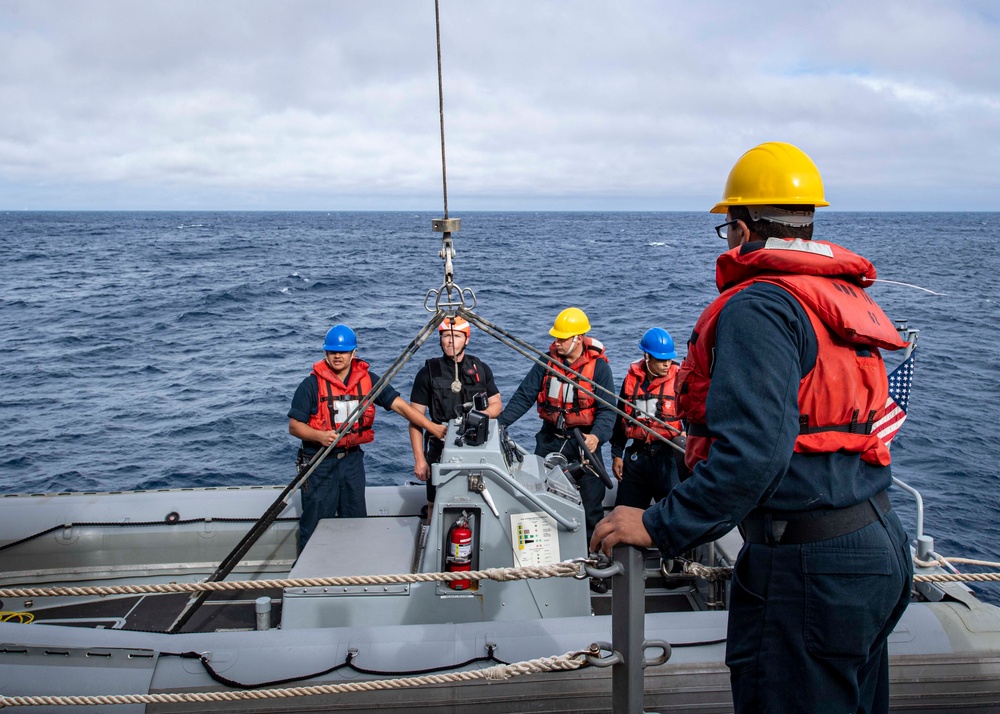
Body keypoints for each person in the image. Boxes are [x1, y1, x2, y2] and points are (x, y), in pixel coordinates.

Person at [590, 142, 912, 713]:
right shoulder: (833, 296)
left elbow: (756, 454)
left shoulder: (759, 306)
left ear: (739, 228)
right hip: (875, 542)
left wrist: (661, 524)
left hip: (808, 567)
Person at [288, 324, 446, 549]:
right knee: (315, 522)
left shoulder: (368, 380)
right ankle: (308, 578)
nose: (337, 356)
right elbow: (294, 426)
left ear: (354, 353)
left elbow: (401, 407)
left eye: (343, 352)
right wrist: (319, 436)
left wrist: (432, 427)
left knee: (355, 519)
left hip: (352, 462)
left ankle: (351, 571)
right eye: (333, 352)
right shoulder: (311, 385)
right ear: (325, 353)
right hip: (319, 464)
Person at [498, 307, 615, 590]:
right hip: (550, 440)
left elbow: (608, 412)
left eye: (563, 339)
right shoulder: (546, 362)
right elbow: (524, 396)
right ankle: (545, 566)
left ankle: (593, 565)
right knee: (540, 502)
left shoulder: (599, 368)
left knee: (590, 507)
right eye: (557, 338)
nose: (558, 343)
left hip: (583, 446)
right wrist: (499, 424)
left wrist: (596, 437)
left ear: (578, 339)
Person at [408, 316, 503, 515]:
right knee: (434, 504)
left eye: (457, 336)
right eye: (445, 336)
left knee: (476, 501)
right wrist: (420, 460)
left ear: (466, 339)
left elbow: (496, 405)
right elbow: (415, 419)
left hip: (476, 447)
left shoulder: (481, 369)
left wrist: (476, 418)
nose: (450, 341)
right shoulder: (427, 374)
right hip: (439, 445)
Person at [609, 327, 687, 509]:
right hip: (638, 457)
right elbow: (621, 418)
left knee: (673, 510)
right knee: (625, 510)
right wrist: (616, 454)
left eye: (669, 359)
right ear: (647, 357)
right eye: (661, 360)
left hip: (668, 458)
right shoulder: (631, 380)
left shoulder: (680, 381)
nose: (667, 364)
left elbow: (693, 417)